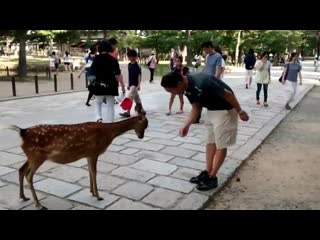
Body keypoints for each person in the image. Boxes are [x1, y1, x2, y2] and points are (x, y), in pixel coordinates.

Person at [161, 71, 249, 191]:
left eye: (171, 90)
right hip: (212, 110)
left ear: (180, 82)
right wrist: (186, 125)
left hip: (226, 110)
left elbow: (228, 95)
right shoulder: (186, 88)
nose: (173, 94)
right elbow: (196, 107)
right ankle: (207, 172)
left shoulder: (203, 82)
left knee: (220, 145)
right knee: (210, 142)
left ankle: (212, 177)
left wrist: (240, 112)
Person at [90, 40, 125, 123]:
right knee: (110, 104)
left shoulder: (96, 59)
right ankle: (110, 122)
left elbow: (92, 72)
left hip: (99, 84)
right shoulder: (113, 59)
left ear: (100, 49)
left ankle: (98, 117)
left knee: (98, 102)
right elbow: (118, 74)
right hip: (111, 84)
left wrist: (92, 82)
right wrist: (122, 86)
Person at [119, 49, 145, 118]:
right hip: (131, 84)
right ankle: (142, 110)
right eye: (128, 56)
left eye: (130, 56)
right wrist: (128, 84)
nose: (129, 58)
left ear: (135, 57)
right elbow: (129, 74)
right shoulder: (129, 65)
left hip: (135, 84)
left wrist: (139, 85)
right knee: (136, 98)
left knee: (130, 97)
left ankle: (128, 112)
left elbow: (139, 75)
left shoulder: (137, 65)